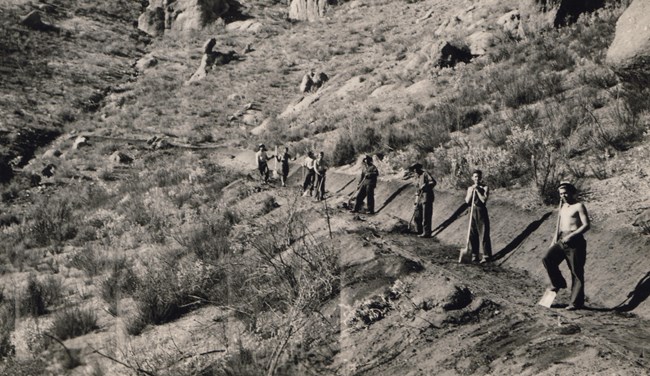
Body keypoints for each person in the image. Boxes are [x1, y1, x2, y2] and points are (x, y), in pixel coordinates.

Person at [542, 182, 591, 311]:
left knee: (576, 272)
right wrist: (553, 241)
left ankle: (576, 303)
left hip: (575, 242)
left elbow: (586, 225)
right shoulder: (562, 207)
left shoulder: (579, 206)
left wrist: (572, 235)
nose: (563, 196)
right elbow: (558, 227)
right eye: (561, 194)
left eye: (565, 193)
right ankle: (558, 282)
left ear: (572, 192)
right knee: (547, 259)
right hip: (561, 240)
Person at [465, 169, 492, 263]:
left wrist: (478, 191)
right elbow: (467, 201)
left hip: (481, 210)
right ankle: (474, 254)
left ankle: (486, 255)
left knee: (484, 233)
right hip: (472, 210)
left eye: (479, 177)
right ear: (472, 178)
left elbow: (484, 200)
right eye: (475, 176)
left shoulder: (485, 187)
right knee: (472, 233)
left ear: (481, 178)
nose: (477, 178)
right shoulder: (469, 188)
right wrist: (472, 191)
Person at [410, 163, 436, 238]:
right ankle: (418, 230)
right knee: (417, 214)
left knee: (426, 216)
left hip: (426, 197)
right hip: (419, 197)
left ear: (419, 168)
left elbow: (433, 182)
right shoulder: (415, 176)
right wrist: (416, 200)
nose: (414, 170)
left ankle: (427, 232)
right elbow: (417, 189)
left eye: (416, 168)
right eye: (413, 168)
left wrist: (426, 185)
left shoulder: (425, 174)